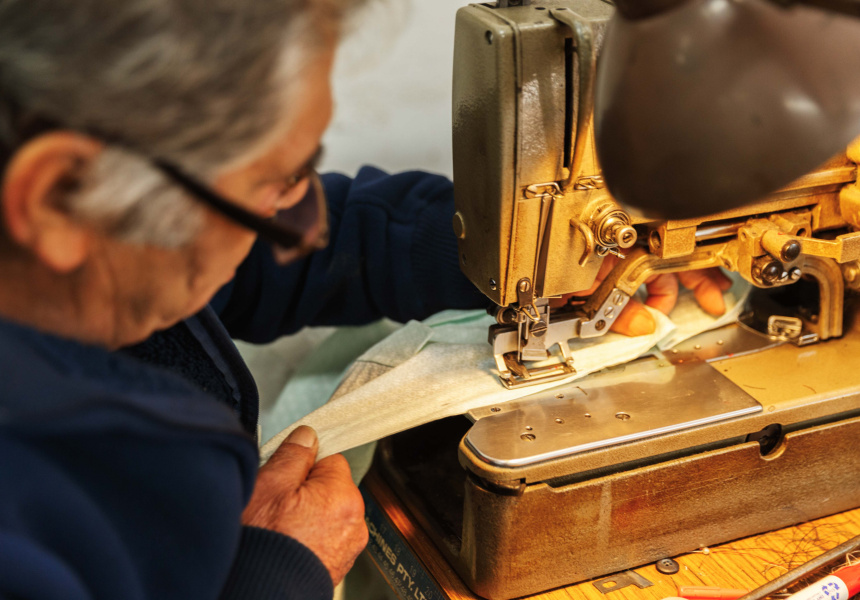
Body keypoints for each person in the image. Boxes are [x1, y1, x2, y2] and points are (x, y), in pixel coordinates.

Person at [0, 0, 731, 598]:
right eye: (279, 183)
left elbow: (274, 262)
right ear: (59, 198)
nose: (301, 216)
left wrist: (512, 253)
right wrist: (273, 574)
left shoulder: (98, 267)